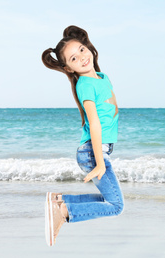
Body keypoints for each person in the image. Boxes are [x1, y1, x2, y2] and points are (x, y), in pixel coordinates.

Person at [41, 25, 124, 246]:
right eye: (74, 59)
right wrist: (100, 163)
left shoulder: (102, 77)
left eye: (81, 50)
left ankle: (60, 201)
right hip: (92, 151)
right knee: (116, 206)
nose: (82, 58)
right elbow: (94, 123)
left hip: (97, 150)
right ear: (69, 68)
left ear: (88, 47)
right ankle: (65, 212)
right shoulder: (85, 86)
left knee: (111, 200)